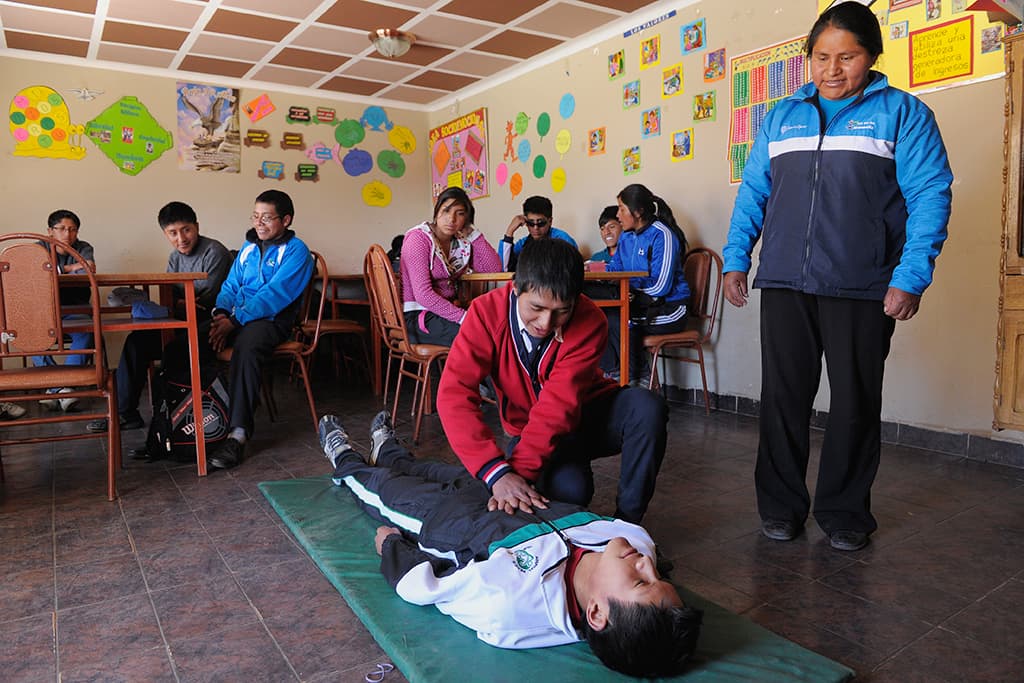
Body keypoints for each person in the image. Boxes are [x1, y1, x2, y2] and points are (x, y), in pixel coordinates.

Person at [722, 3, 953, 552]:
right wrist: (737, 258)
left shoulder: (903, 113)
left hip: (862, 283)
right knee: (781, 398)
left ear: (871, 56)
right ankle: (780, 507)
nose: (832, 69)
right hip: (783, 280)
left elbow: (930, 195)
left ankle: (845, 512)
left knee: (854, 402)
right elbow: (754, 192)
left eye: (846, 56)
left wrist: (911, 276)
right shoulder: (780, 117)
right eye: (821, 57)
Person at [317, 411, 702, 677]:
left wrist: (392, 550)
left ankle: (345, 458)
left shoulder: (512, 605)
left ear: (598, 614)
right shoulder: (635, 543)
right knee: (432, 469)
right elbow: (644, 560)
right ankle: (390, 451)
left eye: (641, 581)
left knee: (379, 488)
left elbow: (431, 588)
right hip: (503, 495)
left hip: (438, 520)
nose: (647, 564)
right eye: (656, 574)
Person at [437, 238, 669, 524]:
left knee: (646, 407)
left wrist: (516, 475)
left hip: (587, 415)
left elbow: (559, 406)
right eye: (536, 307)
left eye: (561, 311)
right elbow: (454, 394)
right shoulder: (485, 315)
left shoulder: (590, 320)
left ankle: (628, 524)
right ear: (515, 288)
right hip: (534, 430)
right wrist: (498, 474)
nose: (545, 323)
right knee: (570, 492)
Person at [163, 190, 313, 470]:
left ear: (286, 220)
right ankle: (175, 427)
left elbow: (275, 295)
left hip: (272, 321)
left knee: (247, 347)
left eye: (267, 217)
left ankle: (237, 434)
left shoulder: (297, 251)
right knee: (182, 346)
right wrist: (220, 314)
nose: (259, 223)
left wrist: (234, 321)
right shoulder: (248, 247)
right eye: (256, 216)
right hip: (234, 317)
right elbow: (230, 286)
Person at [86, 202, 231, 434]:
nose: (181, 238)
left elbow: (206, 300)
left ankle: (171, 421)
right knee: (136, 341)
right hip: (181, 322)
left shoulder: (215, 252)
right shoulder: (175, 257)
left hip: (211, 327)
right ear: (165, 234)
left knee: (171, 350)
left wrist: (179, 301)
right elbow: (171, 297)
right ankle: (125, 413)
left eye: (186, 230)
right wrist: (180, 301)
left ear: (197, 227)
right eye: (172, 233)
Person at [603, 184, 690, 384]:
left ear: (639, 212)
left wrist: (630, 291)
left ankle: (637, 376)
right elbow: (615, 268)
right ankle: (615, 372)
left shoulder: (662, 235)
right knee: (601, 317)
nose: (617, 215)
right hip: (641, 304)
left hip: (671, 309)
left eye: (622, 209)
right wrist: (598, 273)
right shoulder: (626, 236)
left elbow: (661, 286)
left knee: (624, 321)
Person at [401, 187, 500, 346]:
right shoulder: (418, 239)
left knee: (494, 331)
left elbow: (493, 269)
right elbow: (423, 295)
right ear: (437, 210)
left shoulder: (460, 243)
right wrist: (464, 317)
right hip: (419, 316)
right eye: (446, 210)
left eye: (460, 213)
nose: (451, 219)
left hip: (446, 314)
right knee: (481, 337)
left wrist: (473, 233)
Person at [34, 209, 95, 412]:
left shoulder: (83, 247)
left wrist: (55, 269)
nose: (67, 235)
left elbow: (89, 267)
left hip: (75, 307)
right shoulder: (38, 248)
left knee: (87, 331)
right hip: (44, 311)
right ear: (50, 231)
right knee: (30, 336)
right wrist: (69, 269)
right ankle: (63, 389)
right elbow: (33, 273)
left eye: (72, 230)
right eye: (61, 229)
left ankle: (55, 389)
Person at [499, 195, 578, 271]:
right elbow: (503, 268)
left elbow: (572, 269)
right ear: (526, 223)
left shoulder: (562, 240)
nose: (535, 228)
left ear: (550, 221)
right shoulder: (523, 243)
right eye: (531, 223)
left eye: (541, 223)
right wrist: (509, 232)